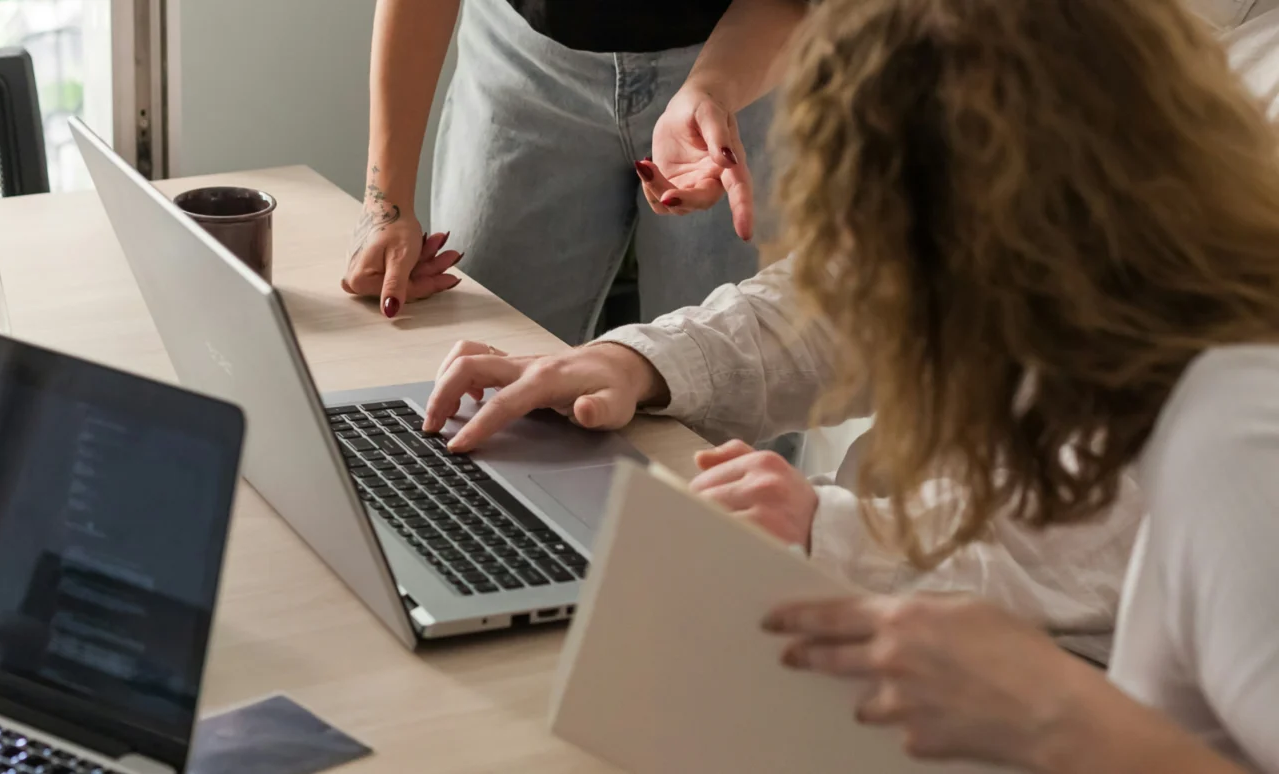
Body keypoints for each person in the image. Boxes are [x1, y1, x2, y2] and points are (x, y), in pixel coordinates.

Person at [425, 0, 1279, 769]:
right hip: (925, 609)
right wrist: (643, 360)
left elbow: (1129, 525)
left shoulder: (1228, 423)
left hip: (1039, 660)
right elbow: (873, 285)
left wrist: (840, 536)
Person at [342, 0, 808, 345]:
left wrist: (714, 91)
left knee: (730, 398)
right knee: (481, 366)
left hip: (747, 65)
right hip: (522, 54)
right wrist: (385, 203)